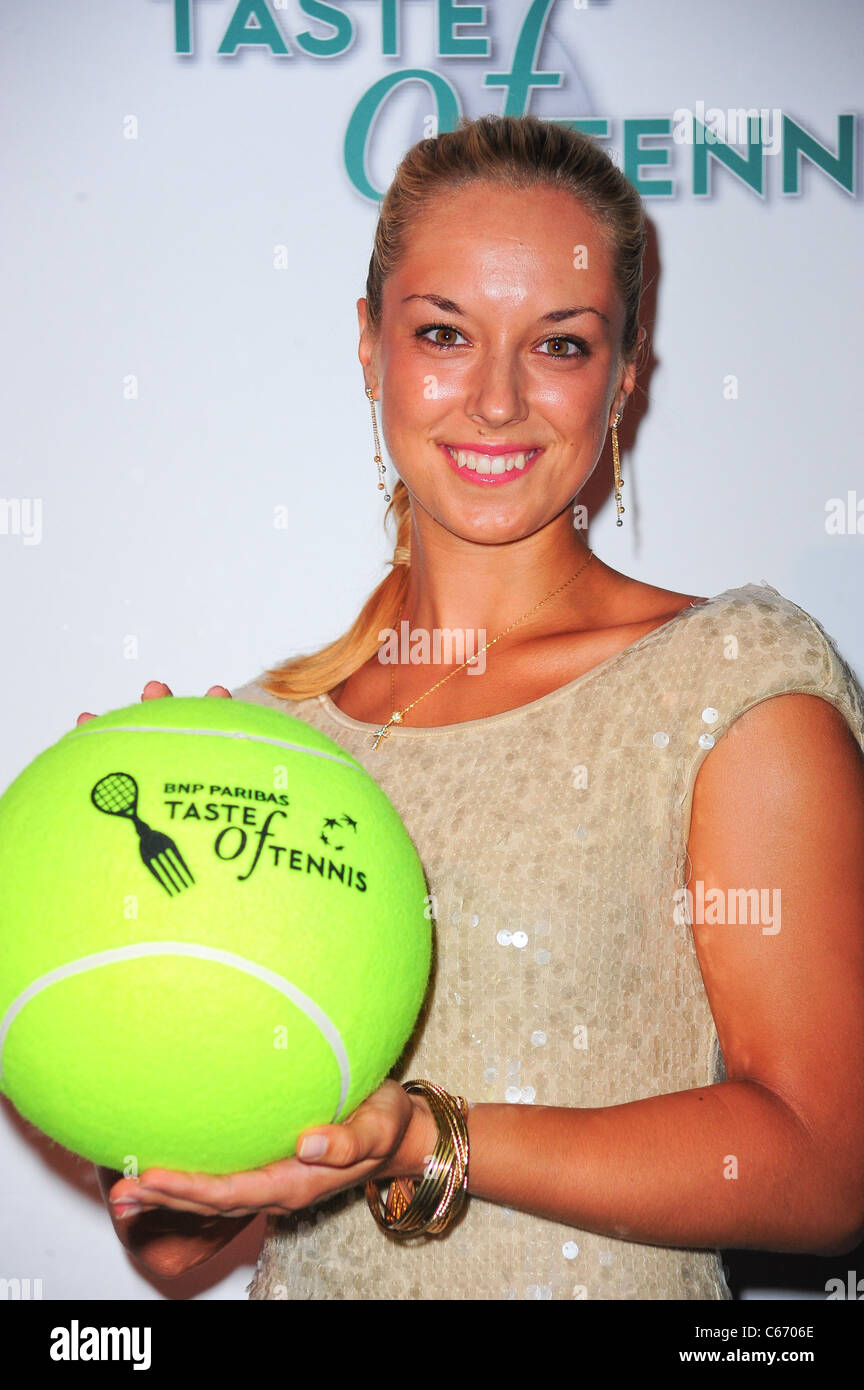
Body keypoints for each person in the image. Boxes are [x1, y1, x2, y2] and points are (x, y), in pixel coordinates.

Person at [87, 114, 864, 1301]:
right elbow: (177, 1246)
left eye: (558, 345)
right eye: (444, 333)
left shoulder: (730, 682)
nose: (495, 401)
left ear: (625, 375)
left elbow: (827, 1165)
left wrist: (426, 1138)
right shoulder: (267, 746)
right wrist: (110, 942)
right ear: (369, 347)